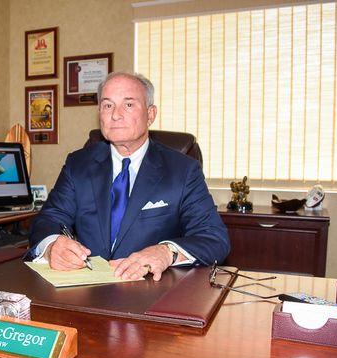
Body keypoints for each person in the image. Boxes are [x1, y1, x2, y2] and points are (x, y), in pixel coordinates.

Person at [28, 71, 230, 281]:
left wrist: (167, 252)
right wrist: (52, 246)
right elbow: (49, 219)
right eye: (108, 105)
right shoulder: (78, 164)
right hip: (84, 290)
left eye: (129, 104)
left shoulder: (183, 170)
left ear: (150, 114)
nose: (115, 114)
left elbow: (214, 238)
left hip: (150, 293)